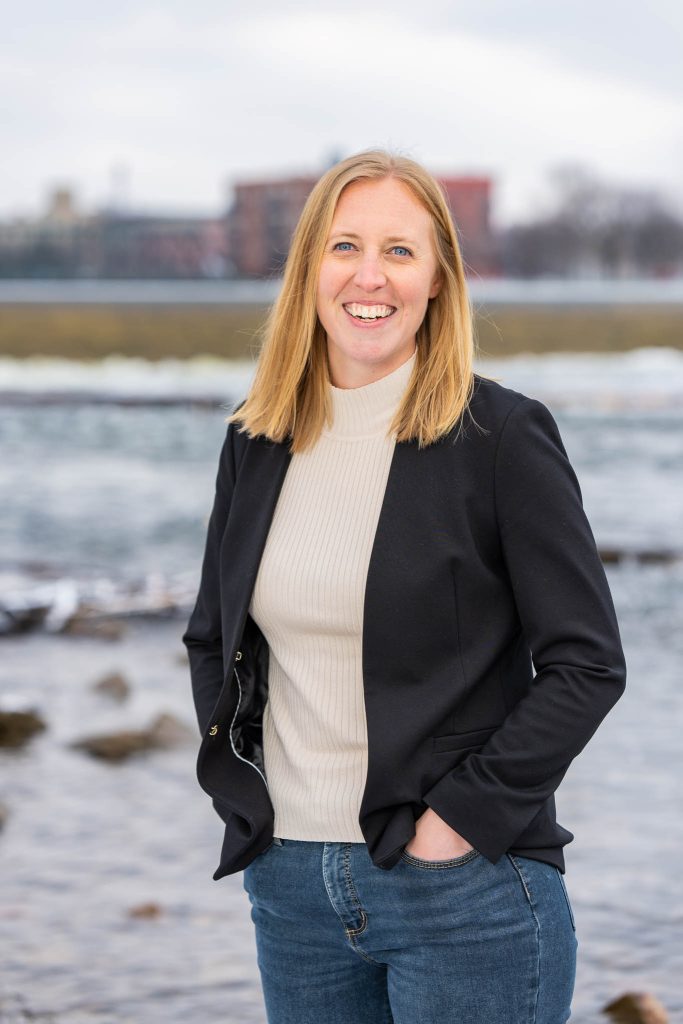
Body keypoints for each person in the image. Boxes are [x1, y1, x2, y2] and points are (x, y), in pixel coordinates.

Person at [182, 149, 626, 1024]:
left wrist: (457, 821)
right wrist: (248, 795)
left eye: (399, 251)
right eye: (344, 246)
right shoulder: (257, 438)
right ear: (309, 268)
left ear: (437, 280)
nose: (368, 276)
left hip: (464, 893)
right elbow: (215, 637)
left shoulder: (500, 435)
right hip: (291, 886)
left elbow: (586, 664)